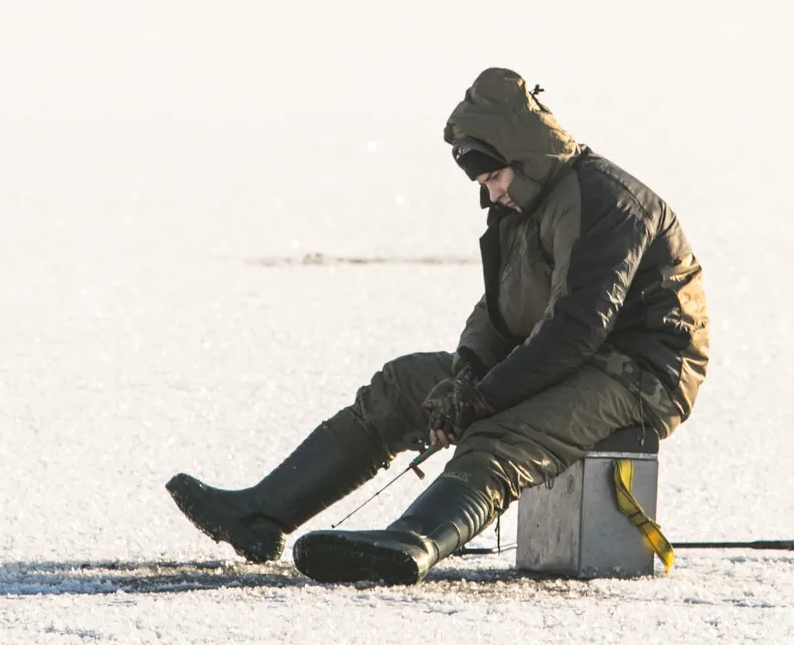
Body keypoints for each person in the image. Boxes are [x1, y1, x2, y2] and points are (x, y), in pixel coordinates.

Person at [166, 67, 709, 585]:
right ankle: (261, 514)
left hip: (639, 373)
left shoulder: (605, 202)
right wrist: (466, 375)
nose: (491, 192)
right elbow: (499, 308)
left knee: (503, 434)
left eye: (495, 176)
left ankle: (412, 544)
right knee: (405, 386)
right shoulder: (524, 203)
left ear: (525, 156)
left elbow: (577, 328)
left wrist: (484, 399)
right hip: (568, 356)